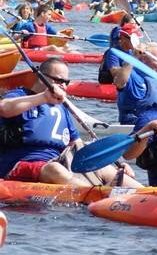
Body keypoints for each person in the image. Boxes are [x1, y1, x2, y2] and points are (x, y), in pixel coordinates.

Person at [0, 59, 141, 187]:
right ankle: (97, 193)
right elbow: (4, 107)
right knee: (54, 169)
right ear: (41, 78)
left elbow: (77, 145)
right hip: (18, 164)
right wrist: (43, 97)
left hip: (57, 161)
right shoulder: (20, 96)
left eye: (66, 82)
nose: (63, 86)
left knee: (105, 169)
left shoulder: (61, 107)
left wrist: (115, 163)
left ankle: (146, 194)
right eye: (59, 81)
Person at [114, 42, 157, 125]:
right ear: (144, 59)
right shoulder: (132, 74)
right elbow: (119, 83)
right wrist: (134, 57)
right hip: (135, 124)